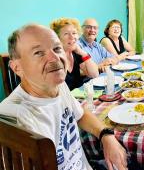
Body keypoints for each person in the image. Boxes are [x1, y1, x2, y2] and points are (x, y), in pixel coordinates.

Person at [0, 24, 128, 170]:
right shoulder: (13, 119)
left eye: (56, 48)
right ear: (17, 67)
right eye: (39, 53)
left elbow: (80, 113)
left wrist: (106, 136)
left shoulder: (58, 85)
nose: (55, 58)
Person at [50, 17, 99, 90]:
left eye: (74, 33)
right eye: (66, 34)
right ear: (58, 38)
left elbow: (94, 74)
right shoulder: (54, 58)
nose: (72, 37)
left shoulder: (75, 52)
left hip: (80, 97)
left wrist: (83, 53)